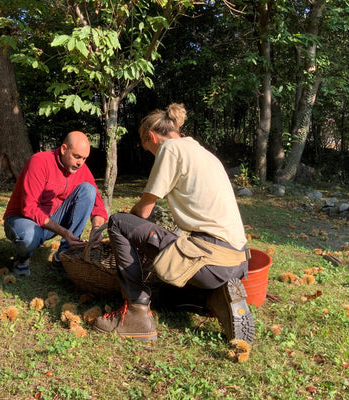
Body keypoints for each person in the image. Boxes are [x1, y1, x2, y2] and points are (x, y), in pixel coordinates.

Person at [94, 104, 255, 343]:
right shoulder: (201, 152)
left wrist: (130, 218)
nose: (151, 154)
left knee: (118, 222)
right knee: (168, 286)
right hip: (237, 260)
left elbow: (144, 211)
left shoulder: (169, 148)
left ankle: (136, 312)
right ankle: (212, 297)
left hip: (210, 259)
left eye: (148, 149)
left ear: (150, 137)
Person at [3, 131, 107, 276]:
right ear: (64, 149)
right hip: (22, 219)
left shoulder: (82, 170)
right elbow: (29, 208)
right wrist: (64, 231)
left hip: (51, 222)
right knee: (27, 236)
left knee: (89, 189)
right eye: (76, 156)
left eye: (84, 158)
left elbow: (99, 207)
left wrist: (96, 228)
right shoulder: (40, 161)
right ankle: (22, 259)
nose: (80, 163)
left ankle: (64, 256)